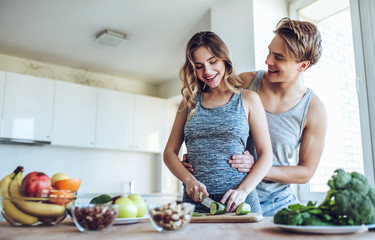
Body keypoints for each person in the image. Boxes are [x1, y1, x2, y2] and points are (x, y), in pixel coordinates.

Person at [182, 17, 327, 216]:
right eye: (269, 52)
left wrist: (256, 168)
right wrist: (201, 159)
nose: (268, 61)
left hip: (276, 202)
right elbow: (208, 111)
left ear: (302, 66)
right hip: (228, 202)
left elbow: (306, 172)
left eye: (279, 57)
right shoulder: (246, 82)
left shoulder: (313, 109)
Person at [163, 31, 273, 213]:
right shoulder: (189, 102)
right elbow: (169, 153)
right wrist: (188, 180)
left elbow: (266, 155)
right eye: (199, 66)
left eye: (213, 61)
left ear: (224, 59)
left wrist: (243, 191)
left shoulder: (248, 99)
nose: (207, 71)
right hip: (195, 203)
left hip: (239, 203)